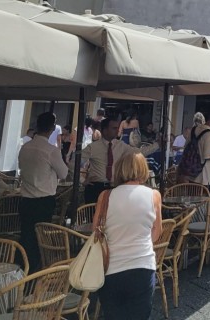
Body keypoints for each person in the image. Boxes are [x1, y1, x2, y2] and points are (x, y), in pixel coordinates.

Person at [98, 152, 162, 320]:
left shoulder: (105, 196)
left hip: (111, 268)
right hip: (142, 265)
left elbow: (96, 231)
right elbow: (156, 233)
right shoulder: (154, 195)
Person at [17, 111, 67, 271]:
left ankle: (22, 269)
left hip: (25, 200)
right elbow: (64, 173)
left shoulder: (25, 147)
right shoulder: (51, 150)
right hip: (44, 201)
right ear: (52, 128)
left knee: (26, 237)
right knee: (40, 238)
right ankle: (35, 271)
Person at [81, 117, 140, 204]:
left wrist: (157, 145)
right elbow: (74, 163)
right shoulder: (93, 147)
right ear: (105, 130)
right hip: (96, 187)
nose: (117, 131)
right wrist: (82, 180)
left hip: (114, 187)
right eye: (114, 128)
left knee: (112, 216)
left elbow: (139, 152)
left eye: (117, 128)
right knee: (93, 215)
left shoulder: (121, 146)